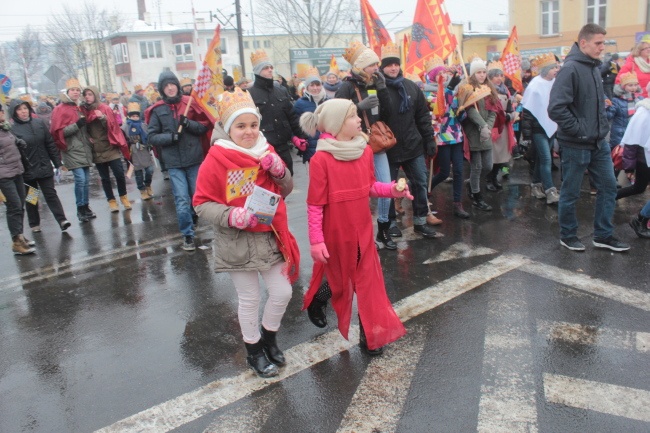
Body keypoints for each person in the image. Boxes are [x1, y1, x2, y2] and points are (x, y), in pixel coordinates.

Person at [193, 88, 300, 378]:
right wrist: (231, 215)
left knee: (282, 292)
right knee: (250, 299)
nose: (249, 132)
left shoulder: (267, 150)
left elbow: (286, 189)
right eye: (241, 126)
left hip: (270, 234)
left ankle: (269, 338)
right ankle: (253, 352)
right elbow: (201, 204)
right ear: (229, 129)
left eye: (253, 125)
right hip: (236, 241)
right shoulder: (216, 159)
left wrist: (280, 172)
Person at [299, 98, 408, 355]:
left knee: (367, 283)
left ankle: (369, 336)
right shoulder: (321, 160)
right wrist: (316, 241)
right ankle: (320, 297)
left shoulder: (365, 150)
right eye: (352, 117)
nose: (360, 120)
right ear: (338, 124)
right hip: (335, 232)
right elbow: (315, 205)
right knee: (341, 279)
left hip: (362, 229)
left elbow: (370, 186)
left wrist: (393, 189)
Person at [548, 23, 630, 252]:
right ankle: (568, 235)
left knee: (609, 187)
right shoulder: (570, 69)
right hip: (576, 143)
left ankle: (603, 235)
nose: (602, 47)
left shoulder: (593, 67)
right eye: (598, 43)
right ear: (583, 42)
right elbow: (555, 108)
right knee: (571, 192)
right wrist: (579, 129)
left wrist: (600, 119)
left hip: (597, 142)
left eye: (603, 43)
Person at [336, 41, 399, 247]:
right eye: (372, 64)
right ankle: (358, 236)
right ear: (362, 66)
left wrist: (382, 90)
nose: (377, 68)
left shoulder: (376, 84)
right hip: (354, 146)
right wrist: (356, 107)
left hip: (375, 143)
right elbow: (335, 116)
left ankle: (383, 229)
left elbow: (388, 114)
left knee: (386, 187)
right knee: (359, 193)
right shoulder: (347, 86)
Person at [379, 41, 441, 240]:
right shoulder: (378, 88)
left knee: (420, 183)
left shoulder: (411, 87)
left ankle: (421, 221)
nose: (393, 67)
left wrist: (429, 139)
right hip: (388, 148)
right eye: (389, 64)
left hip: (413, 144)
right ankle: (390, 224)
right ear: (382, 67)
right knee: (388, 188)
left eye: (395, 64)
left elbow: (422, 115)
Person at [147, 71, 211, 251]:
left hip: (193, 159)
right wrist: (170, 137)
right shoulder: (158, 110)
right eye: (166, 85)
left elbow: (204, 126)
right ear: (162, 89)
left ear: (177, 85)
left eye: (172, 84)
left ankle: (193, 217)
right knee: (181, 198)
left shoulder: (189, 104)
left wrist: (189, 123)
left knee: (196, 197)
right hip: (174, 163)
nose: (170, 88)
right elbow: (152, 136)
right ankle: (187, 234)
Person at [8, 99, 71, 233]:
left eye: (25, 108)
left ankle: (62, 220)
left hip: (44, 167)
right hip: (27, 171)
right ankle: (34, 223)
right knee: (32, 197)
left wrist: (57, 163)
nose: (23, 112)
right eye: (19, 109)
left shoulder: (39, 123)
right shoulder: (12, 129)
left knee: (51, 194)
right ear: (14, 112)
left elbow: (49, 144)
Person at [247, 50, 307, 175]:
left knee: (286, 181)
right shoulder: (249, 94)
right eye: (265, 68)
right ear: (258, 71)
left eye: (271, 67)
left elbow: (292, 117)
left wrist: (302, 137)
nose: (270, 70)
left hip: (283, 147)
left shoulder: (281, 90)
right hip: (263, 149)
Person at [50, 78, 97, 223]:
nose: (76, 92)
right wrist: (77, 125)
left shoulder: (80, 108)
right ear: (68, 92)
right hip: (71, 150)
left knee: (86, 180)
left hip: (84, 149)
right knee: (80, 180)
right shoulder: (60, 109)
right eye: (73, 90)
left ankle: (86, 207)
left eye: (78, 90)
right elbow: (59, 133)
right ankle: (80, 209)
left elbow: (85, 129)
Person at [427, 63, 469, 218]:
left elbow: (459, 115)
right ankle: (426, 189)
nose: (445, 77)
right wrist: (450, 90)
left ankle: (457, 204)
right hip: (442, 138)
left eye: (446, 74)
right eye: (442, 74)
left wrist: (462, 111)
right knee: (444, 172)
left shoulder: (452, 93)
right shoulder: (431, 95)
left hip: (456, 136)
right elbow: (441, 110)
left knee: (458, 171)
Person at [80, 86, 131, 212]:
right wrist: (88, 138)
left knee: (119, 173)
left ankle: (123, 196)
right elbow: (81, 129)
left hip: (110, 147)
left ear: (95, 95)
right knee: (105, 178)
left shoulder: (104, 108)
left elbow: (113, 127)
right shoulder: (83, 111)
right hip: (97, 149)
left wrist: (102, 118)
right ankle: (111, 200)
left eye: (90, 94)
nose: (87, 97)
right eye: (85, 94)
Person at [460, 57, 499, 211]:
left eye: (484, 72)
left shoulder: (489, 89)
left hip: (485, 132)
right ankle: (477, 197)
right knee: (477, 166)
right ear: (472, 74)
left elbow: (493, 111)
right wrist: (481, 126)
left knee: (488, 165)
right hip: (473, 131)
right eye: (478, 72)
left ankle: (472, 183)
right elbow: (469, 109)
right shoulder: (468, 88)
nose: (482, 75)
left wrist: (487, 127)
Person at [521, 53, 561, 204]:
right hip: (538, 128)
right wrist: (527, 135)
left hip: (552, 126)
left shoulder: (555, 83)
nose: (556, 70)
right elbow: (529, 111)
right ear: (545, 70)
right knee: (546, 158)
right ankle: (550, 190)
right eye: (553, 68)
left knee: (541, 158)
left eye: (556, 67)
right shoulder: (535, 85)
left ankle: (536, 186)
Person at [0, 103, 36, 255]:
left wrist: (18, 142)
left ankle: (20, 236)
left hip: (17, 170)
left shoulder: (5, 128)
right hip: (4, 174)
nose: (2, 113)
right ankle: (16, 242)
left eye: (2, 111)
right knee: (14, 206)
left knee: (20, 204)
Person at [485, 61, 516, 193]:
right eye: (496, 76)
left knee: (501, 156)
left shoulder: (505, 90)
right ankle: (488, 180)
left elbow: (509, 108)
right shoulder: (487, 91)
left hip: (503, 128)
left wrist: (509, 116)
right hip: (493, 127)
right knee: (492, 156)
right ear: (490, 78)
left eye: (500, 75)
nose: (499, 78)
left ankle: (495, 178)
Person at [617, 96, 650, 205]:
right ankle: (610, 198)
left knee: (639, 187)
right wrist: (629, 168)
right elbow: (631, 140)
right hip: (644, 158)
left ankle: (643, 216)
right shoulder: (644, 112)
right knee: (639, 188)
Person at [292, 70, 328, 163]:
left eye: (318, 85)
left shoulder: (328, 101)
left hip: (329, 145)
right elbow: (295, 124)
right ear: (307, 87)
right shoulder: (300, 103)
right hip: (311, 147)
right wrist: (301, 139)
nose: (315, 88)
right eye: (312, 85)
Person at [122, 102, 154, 201]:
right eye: (133, 116)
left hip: (144, 149)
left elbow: (149, 135)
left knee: (150, 170)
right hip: (133, 151)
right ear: (129, 116)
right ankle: (142, 190)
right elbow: (122, 140)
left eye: (136, 115)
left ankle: (148, 184)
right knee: (138, 173)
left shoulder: (144, 125)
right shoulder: (124, 127)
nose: (135, 117)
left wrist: (150, 145)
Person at [607, 72, 642, 151]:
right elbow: (608, 116)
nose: (633, 88)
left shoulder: (640, 99)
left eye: (635, 85)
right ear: (623, 86)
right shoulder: (616, 101)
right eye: (630, 85)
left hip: (636, 135)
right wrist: (606, 107)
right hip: (620, 136)